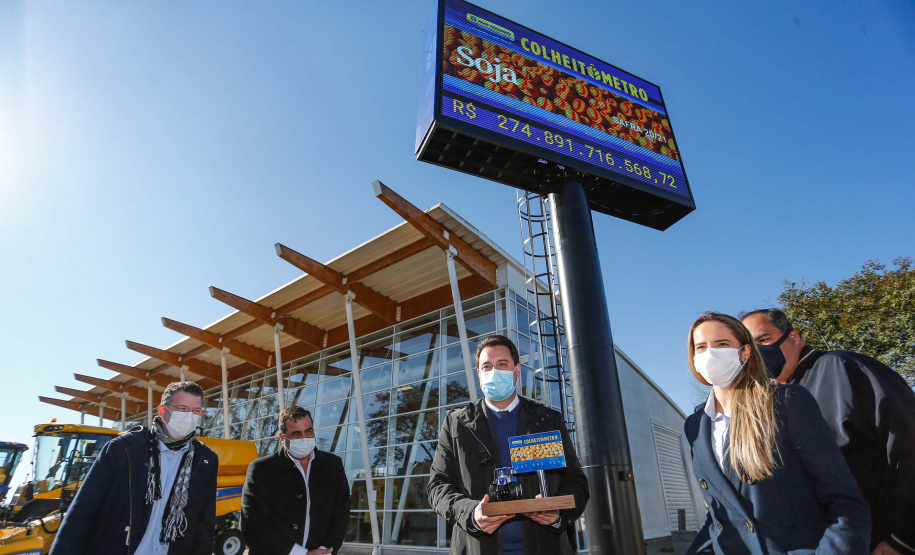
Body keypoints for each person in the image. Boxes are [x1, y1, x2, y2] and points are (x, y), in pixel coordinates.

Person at [684, 313, 871, 555]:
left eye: (722, 344)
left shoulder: (786, 402)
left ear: (745, 352)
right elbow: (720, 514)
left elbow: (844, 501)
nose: (711, 354)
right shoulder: (695, 426)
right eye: (701, 347)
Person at [741, 308, 915, 555]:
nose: (759, 353)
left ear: (794, 337)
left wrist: (903, 539)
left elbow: (908, 443)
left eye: (764, 339)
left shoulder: (844, 369)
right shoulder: (776, 400)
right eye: (750, 348)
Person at [427, 334, 589, 555]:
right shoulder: (457, 423)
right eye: (487, 366)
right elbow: (438, 486)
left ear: (517, 370)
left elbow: (576, 482)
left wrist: (558, 512)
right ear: (478, 374)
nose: (494, 371)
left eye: (502, 364)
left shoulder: (548, 421)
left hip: (545, 546)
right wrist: (470, 513)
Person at [49, 381, 218, 555]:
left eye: (196, 411)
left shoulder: (205, 460)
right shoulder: (124, 449)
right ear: (162, 411)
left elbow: (204, 526)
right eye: (182, 409)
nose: (189, 416)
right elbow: (82, 513)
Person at [241, 406, 350, 555]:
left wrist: (325, 550)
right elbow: (253, 526)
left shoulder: (333, 466)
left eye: (308, 431)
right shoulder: (261, 470)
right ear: (282, 438)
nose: (304, 438)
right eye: (296, 434)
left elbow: (341, 515)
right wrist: (300, 553)